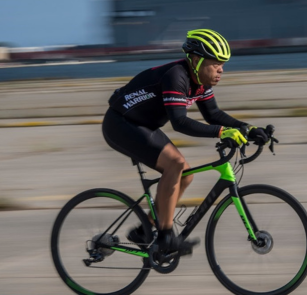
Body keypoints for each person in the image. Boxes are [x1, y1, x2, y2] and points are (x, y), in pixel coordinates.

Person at [102, 29, 268, 255]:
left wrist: (247, 129)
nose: (221, 70)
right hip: (120, 124)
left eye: (223, 64)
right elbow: (179, 122)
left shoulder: (201, 81)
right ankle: (165, 237)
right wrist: (222, 133)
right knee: (175, 165)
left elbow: (213, 114)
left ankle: (144, 231)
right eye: (216, 64)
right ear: (197, 60)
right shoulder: (176, 76)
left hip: (144, 125)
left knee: (186, 174)